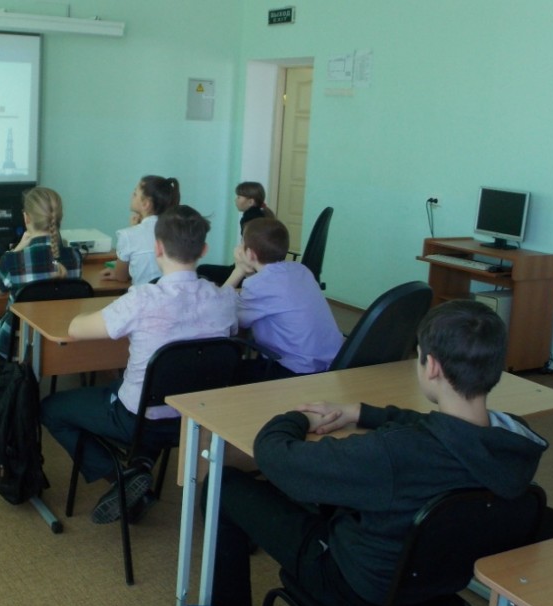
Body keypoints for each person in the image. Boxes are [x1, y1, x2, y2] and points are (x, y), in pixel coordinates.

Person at [206, 299, 548, 606]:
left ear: (431, 367)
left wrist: (297, 419)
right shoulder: (514, 441)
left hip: (354, 586)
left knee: (222, 485)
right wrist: (360, 412)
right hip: (438, 578)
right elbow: (440, 428)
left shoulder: (393, 453)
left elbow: (276, 457)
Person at [42, 204, 238, 524]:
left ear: (157, 247)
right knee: (143, 388)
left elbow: (76, 329)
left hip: (138, 419)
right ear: (203, 250)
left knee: (51, 408)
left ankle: (121, 476)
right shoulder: (225, 300)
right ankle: (140, 465)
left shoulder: (142, 299)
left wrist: (88, 311)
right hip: (196, 419)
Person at [0, 186, 83, 363]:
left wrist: (17, 249)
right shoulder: (75, 257)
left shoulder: (13, 261)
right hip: (59, 345)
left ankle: (5, 376)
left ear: (26, 218)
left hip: (18, 345)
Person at [223, 217, 343, 380]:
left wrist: (238, 270)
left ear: (250, 254)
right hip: (332, 364)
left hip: (295, 372)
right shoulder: (301, 270)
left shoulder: (260, 285)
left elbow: (225, 316)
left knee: (225, 372)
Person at [101, 175, 181, 285]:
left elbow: (121, 277)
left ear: (146, 204)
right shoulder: (178, 230)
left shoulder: (127, 235)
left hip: (144, 295)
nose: (131, 196)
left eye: (135, 194)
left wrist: (133, 229)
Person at [198, 180, 276, 286]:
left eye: (239, 197)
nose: (235, 200)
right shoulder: (260, 216)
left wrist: (240, 271)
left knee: (201, 269)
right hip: (254, 269)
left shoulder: (250, 219)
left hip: (248, 271)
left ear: (250, 202)